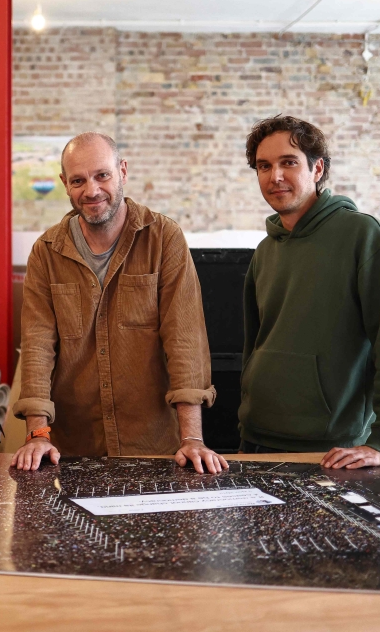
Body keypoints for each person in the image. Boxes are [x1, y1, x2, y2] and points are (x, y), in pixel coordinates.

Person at [11, 132, 227, 474]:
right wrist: (38, 434)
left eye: (102, 176)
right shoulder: (46, 252)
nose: (91, 191)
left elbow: (184, 339)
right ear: (65, 184)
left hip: (155, 448)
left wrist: (193, 439)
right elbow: (38, 347)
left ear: (122, 171)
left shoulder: (164, 238)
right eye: (78, 180)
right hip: (74, 453)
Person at [239, 115, 380, 469]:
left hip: (331, 450)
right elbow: (253, 347)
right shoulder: (265, 251)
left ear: (317, 169)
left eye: (288, 162)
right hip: (256, 440)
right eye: (264, 166)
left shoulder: (364, 237)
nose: (274, 176)